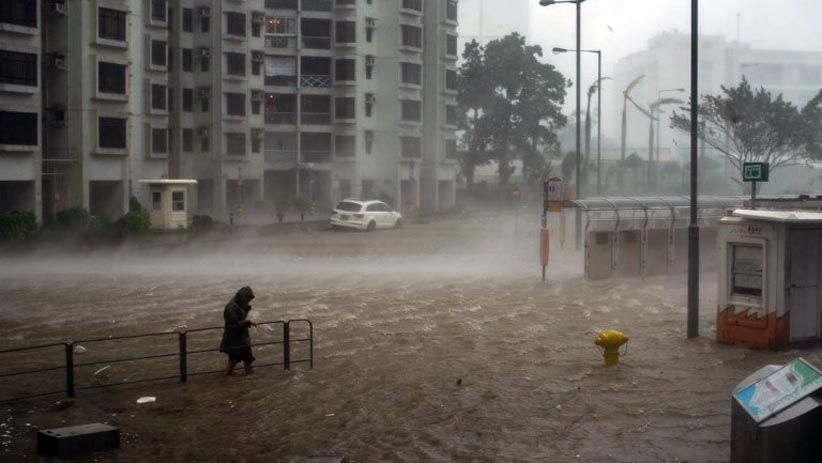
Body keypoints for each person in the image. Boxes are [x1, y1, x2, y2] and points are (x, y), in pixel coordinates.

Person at [219, 286, 258, 375]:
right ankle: (229, 375)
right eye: (247, 299)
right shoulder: (230, 307)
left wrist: (247, 308)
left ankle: (249, 376)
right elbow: (236, 323)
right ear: (242, 297)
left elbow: (241, 319)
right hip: (234, 338)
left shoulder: (238, 305)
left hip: (241, 338)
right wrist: (250, 322)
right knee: (234, 359)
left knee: (247, 359)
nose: (248, 302)